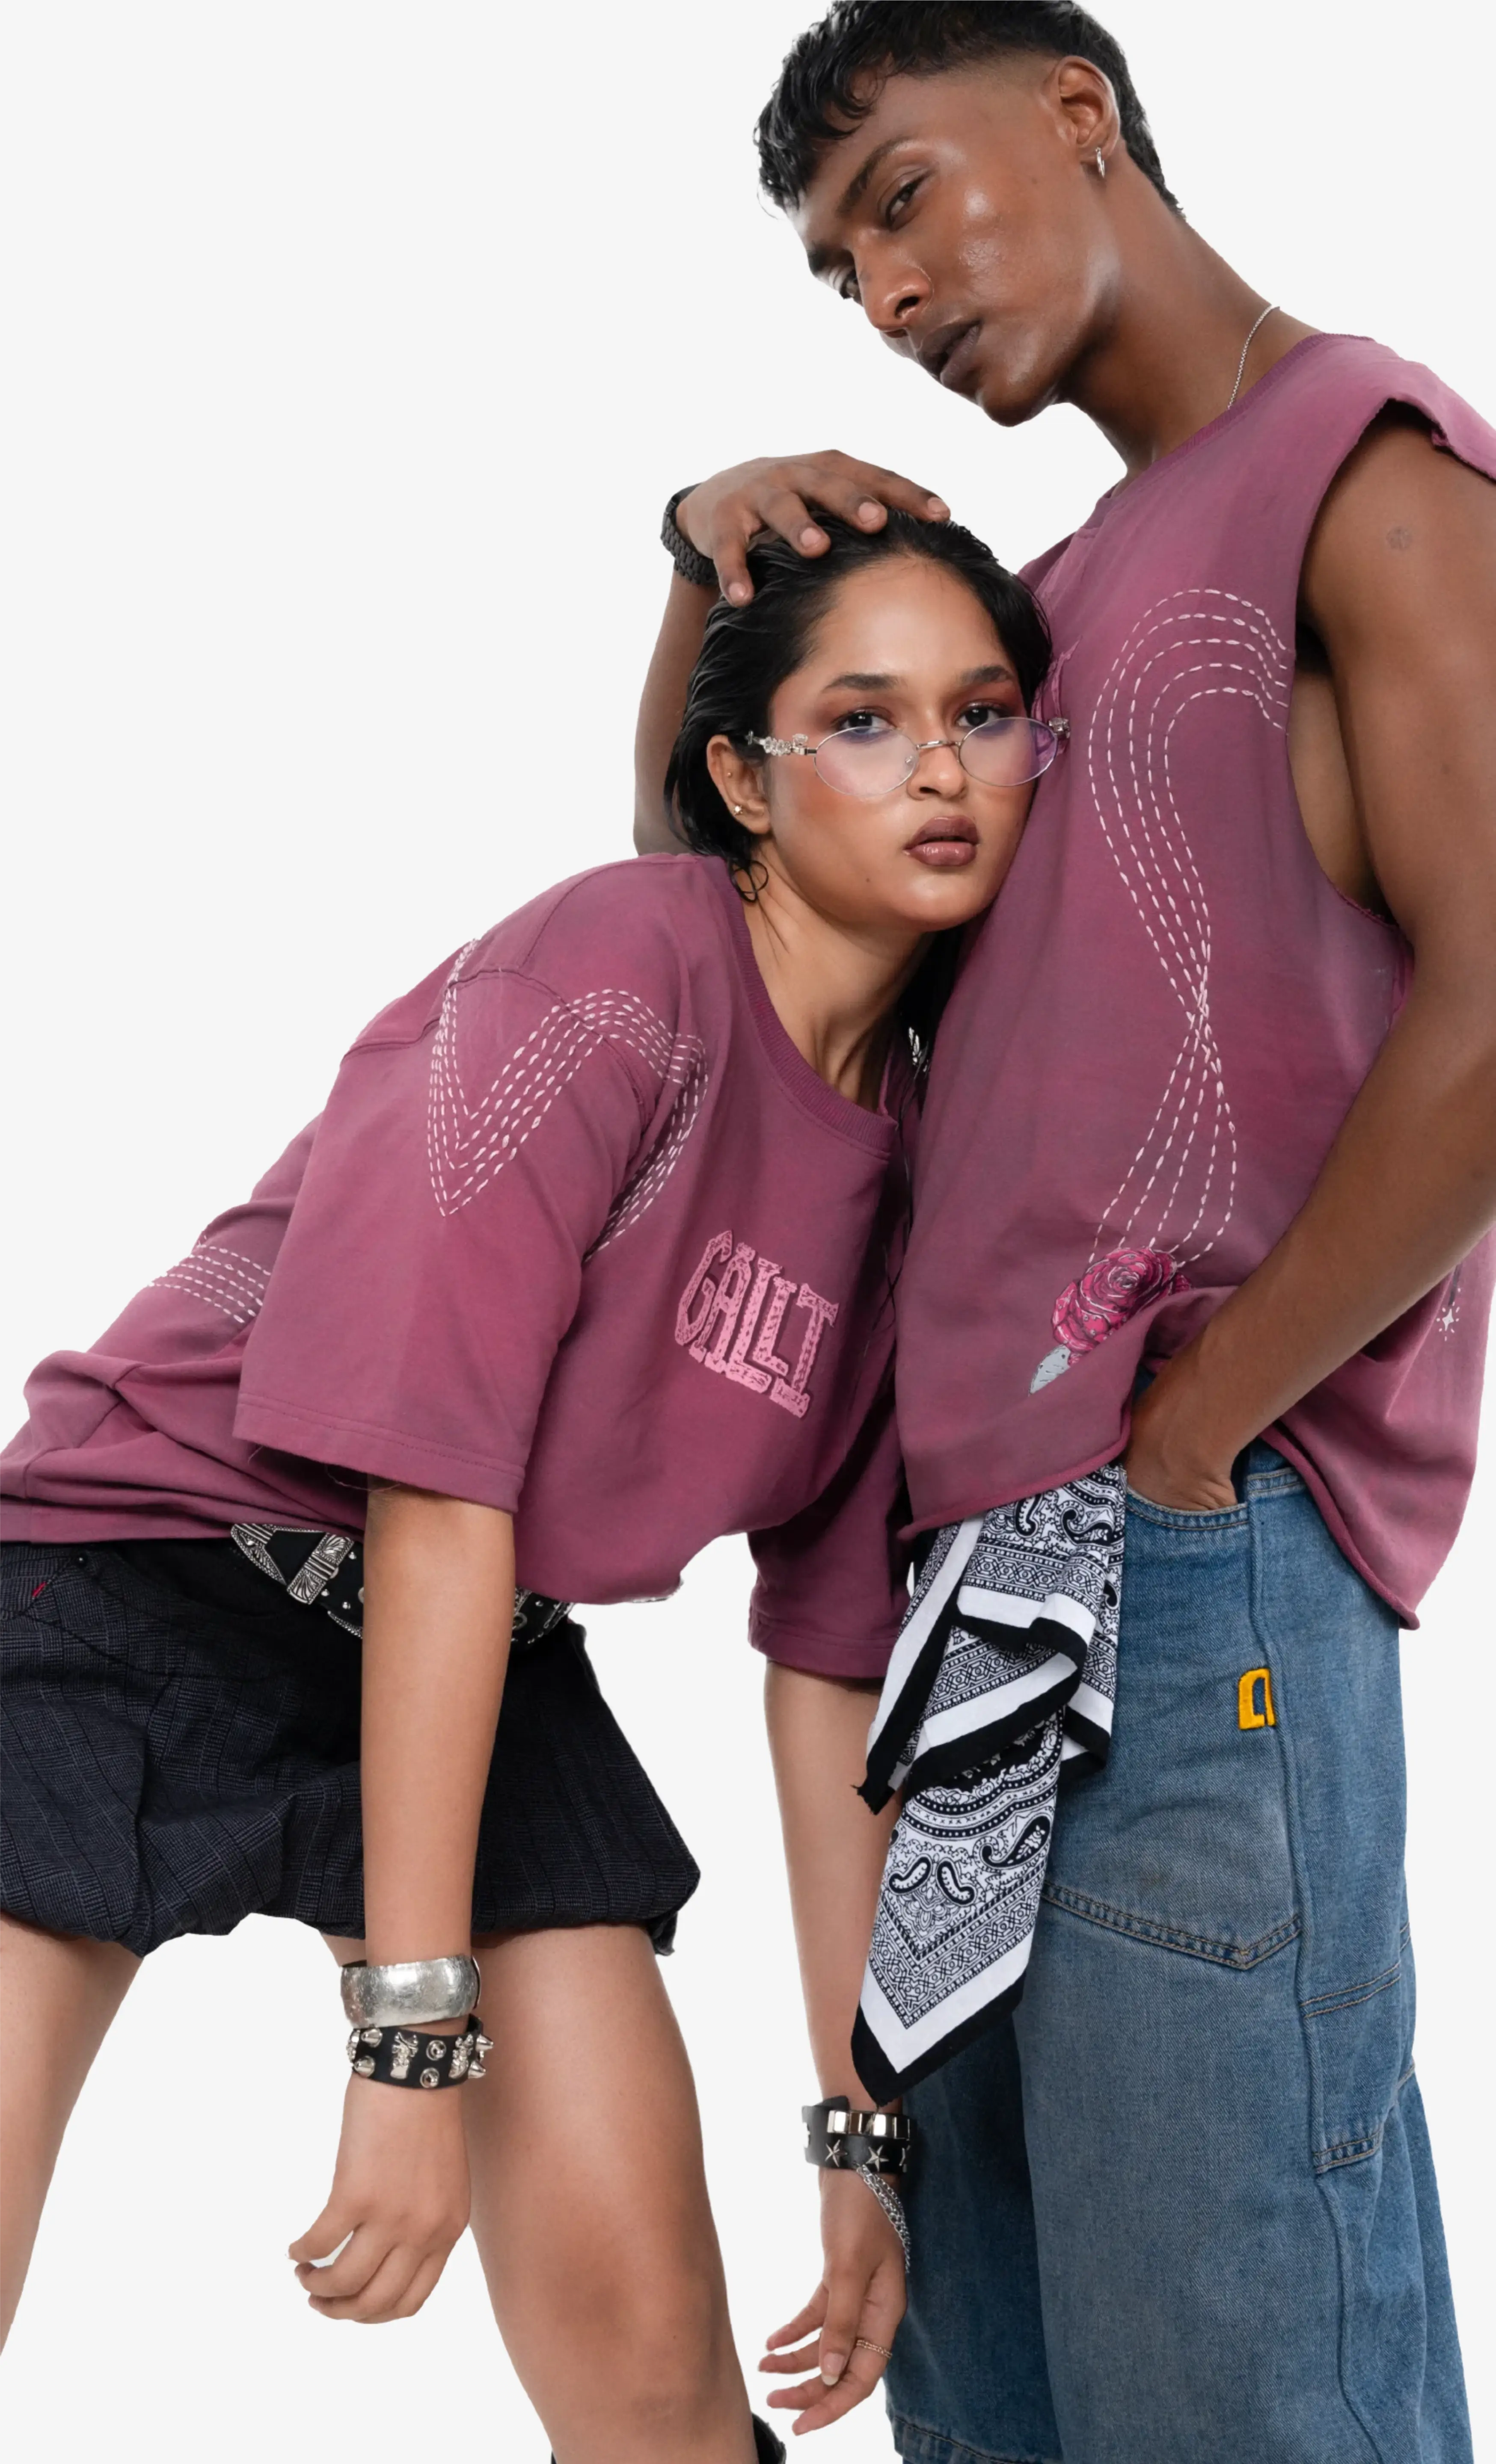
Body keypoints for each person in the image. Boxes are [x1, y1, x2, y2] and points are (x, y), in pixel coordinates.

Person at [633, 7, 1496, 2460]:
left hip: (1186, 1566)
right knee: (1001, 2400)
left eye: (900, 198)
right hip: (947, 1610)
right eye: (832, 272)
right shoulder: (1025, 608)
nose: (881, 292)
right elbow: (726, 917)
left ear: (1077, 116)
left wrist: (1211, 1426)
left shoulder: (1369, 466)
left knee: (1245, 2390)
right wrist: (697, 548)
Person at [0, 510, 1057, 2458]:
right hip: (137, 1578)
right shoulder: (615, 969)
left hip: (474, 1645)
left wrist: (855, 2128)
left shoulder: (923, 1174)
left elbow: (832, 1671)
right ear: (740, 780)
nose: (934, 766)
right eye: (862, 716)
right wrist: (411, 2035)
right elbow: (433, 1483)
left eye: (983, 712)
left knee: (661, 2390)